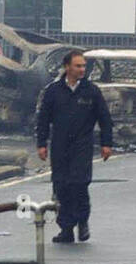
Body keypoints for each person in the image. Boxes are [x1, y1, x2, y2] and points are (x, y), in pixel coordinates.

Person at [35, 50, 114, 243]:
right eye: (78, 66)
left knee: (79, 185)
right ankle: (66, 229)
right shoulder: (53, 91)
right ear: (67, 67)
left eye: (83, 66)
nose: (82, 70)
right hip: (60, 147)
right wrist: (41, 144)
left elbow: (104, 119)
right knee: (61, 187)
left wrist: (106, 144)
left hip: (82, 146)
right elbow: (43, 119)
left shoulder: (91, 91)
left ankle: (82, 221)